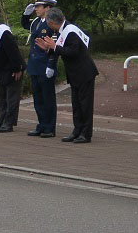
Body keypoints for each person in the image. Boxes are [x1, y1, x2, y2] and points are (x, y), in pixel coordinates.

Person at [35, 8, 98, 144]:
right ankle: (77, 130)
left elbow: (73, 51)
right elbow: (61, 49)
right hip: (75, 74)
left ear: (52, 22)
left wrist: (54, 47)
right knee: (76, 104)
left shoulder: (70, 31)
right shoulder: (62, 30)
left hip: (84, 72)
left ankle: (86, 134)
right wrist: (48, 48)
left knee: (85, 105)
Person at [21, 0, 60, 138]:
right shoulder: (36, 21)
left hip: (45, 65)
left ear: (47, 8)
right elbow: (25, 25)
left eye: (38, 6)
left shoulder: (52, 23)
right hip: (35, 65)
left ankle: (50, 127)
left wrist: (51, 65)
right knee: (38, 98)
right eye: (35, 6)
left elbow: (54, 47)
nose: (36, 9)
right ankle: (42, 124)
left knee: (47, 98)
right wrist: (26, 14)